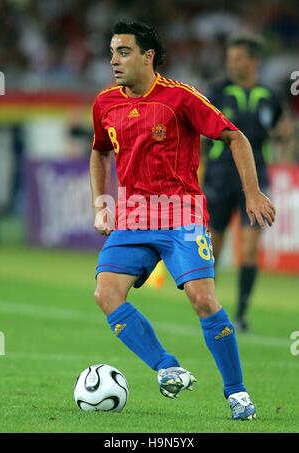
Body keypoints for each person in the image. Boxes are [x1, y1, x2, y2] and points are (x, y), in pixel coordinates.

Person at [90, 21, 275, 420]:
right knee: (106, 294)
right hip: (134, 216)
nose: (113, 60)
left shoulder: (181, 98)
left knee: (204, 300)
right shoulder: (105, 102)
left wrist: (252, 191)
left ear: (147, 56)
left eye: (123, 52)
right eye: (112, 52)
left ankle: (237, 393)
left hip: (180, 213)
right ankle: (167, 367)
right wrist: (101, 202)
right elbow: (100, 150)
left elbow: (235, 136)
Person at [203, 36, 282, 332]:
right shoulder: (216, 91)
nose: (231, 63)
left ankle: (241, 314)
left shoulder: (271, 95)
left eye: (237, 58)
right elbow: (201, 135)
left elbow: (279, 129)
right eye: (230, 58)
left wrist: (284, 135)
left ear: (253, 61)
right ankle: (210, 311)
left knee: (249, 249)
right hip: (220, 176)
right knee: (214, 247)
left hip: (257, 177)